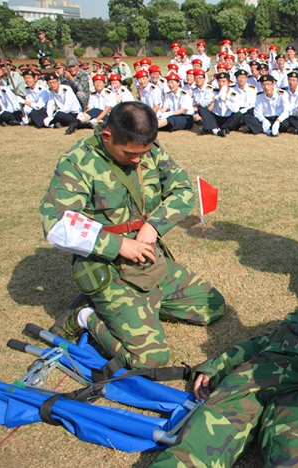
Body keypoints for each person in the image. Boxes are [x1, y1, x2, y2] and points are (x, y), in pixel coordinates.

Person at [40, 102, 226, 370]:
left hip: (147, 259)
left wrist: (154, 226)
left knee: (212, 306)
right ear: (107, 136)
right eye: (130, 153)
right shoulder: (78, 162)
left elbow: (183, 189)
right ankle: (85, 315)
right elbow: (58, 224)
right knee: (150, 360)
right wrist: (118, 245)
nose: (138, 160)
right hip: (109, 267)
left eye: (143, 153)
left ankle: (140, 306)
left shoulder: (148, 149)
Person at [150, 287, 298, 468]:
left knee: (297, 458)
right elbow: (261, 342)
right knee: (196, 444)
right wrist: (215, 367)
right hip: (258, 369)